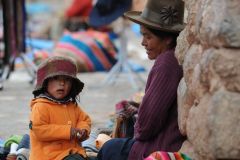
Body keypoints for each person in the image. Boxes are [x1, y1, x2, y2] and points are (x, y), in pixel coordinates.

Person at [97, 0, 186, 159]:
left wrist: (137, 125)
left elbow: (146, 126)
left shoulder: (166, 63)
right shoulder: (171, 58)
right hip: (165, 138)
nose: (143, 42)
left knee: (110, 149)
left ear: (167, 39)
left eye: (148, 36)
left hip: (160, 144)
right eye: (142, 35)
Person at [29, 56, 91, 160]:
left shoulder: (72, 106)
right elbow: (39, 130)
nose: (62, 83)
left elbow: (84, 119)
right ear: (45, 83)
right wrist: (68, 132)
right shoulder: (41, 106)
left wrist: (83, 130)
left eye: (67, 80)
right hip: (49, 157)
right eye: (56, 78)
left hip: (73, 153)